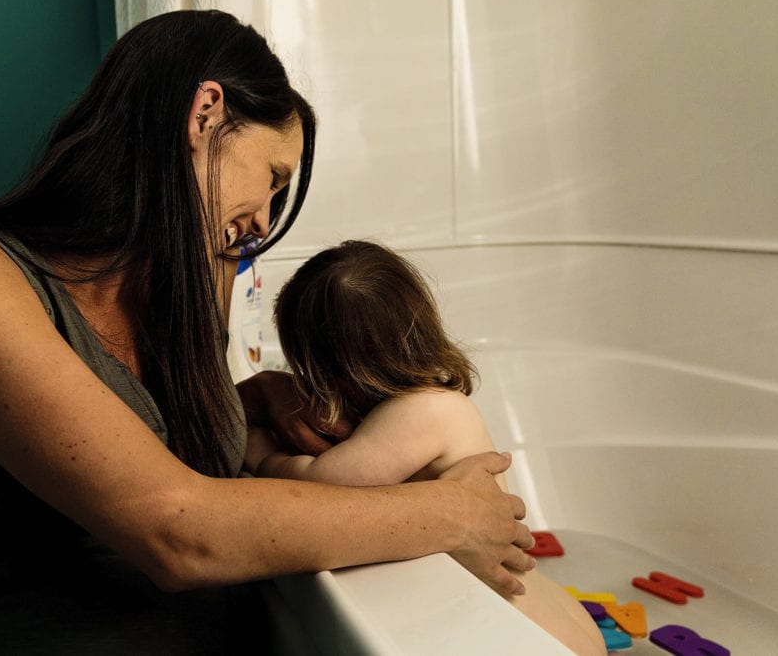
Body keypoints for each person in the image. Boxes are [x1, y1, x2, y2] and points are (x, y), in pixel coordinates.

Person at [0, 11, 534, 654]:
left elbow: (126, 436)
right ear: (206, 113)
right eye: (272, 177)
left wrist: (250, 397)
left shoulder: (165, 300)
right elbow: (175, 529)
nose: (263, 221)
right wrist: (448, 512)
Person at [245, 240, 605, 656]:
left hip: (534, 633)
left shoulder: (423, 411)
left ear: (326, 368)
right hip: (539, 615)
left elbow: (324, 483)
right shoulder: (429, 403)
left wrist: (262, 455)